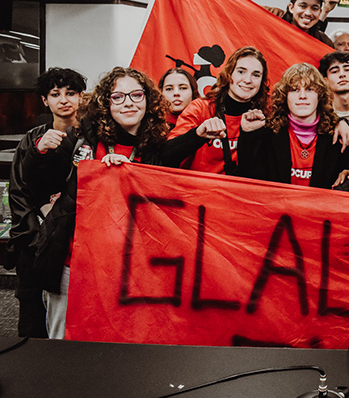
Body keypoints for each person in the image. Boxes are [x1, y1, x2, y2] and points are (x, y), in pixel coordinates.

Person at [20, 67, 170, 338]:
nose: (128, 102)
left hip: (130, 270)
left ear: (148, 100)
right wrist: (38, 152)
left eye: (136, 95)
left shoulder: (158, 148)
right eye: (118, 96)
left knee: (121, 344)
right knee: (63, 344)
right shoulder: (82, 138)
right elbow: (38, 183)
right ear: (106, 103)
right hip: (74, 262)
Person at [6, 67, 86, 338]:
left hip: (74, 242)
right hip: (35, 240)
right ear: (44, 100)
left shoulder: (91, 137)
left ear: (81, 97)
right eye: (55, 94)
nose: (63, 100)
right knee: (31, 321)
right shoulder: (31, 139)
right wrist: (37, 232)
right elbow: (18, 192)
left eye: (70, 93)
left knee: (72, 319)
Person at [237, 63, 347, 188]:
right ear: (285, 96)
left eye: (309, 89)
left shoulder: (338, 136)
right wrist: (247, 134)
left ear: (320, 96)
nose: (302, 96)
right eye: (295, 90)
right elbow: (249, 180)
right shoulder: (267, 133)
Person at [165, 46, 270, 175]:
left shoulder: (262, 119)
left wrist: (249, 136)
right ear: (229, 73)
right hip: (197, 186)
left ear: (261, 81)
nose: (248, 80)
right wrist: (197, 135)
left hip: (236, 187)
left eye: (256, 75)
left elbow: (260, 176)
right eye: (241, 72)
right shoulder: (201, 108)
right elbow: (166, 155)